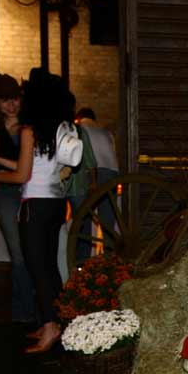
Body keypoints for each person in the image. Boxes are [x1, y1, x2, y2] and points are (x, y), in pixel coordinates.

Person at [0, 70, 81, 353]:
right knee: (50, 267)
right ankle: (56, 322)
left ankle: (50, 327)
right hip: (55, 203)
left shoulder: (29, 130)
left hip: (35, 207)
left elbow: (22, 176)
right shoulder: (60, 126)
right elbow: (38, 165)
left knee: (37, 268)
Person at [0, 74, 36, 324]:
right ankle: (23, 309)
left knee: (33, 250)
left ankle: (33, 306)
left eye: (15, 99)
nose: (11, 105)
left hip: (33, 190)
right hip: (7, 192)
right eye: (5, 101)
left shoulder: (31, 126)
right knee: (17, 252)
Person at [70, 107, 120, 260]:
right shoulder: (105, 131)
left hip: (92, 171)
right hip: (112, 172)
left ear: (79, 118)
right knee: (107, 219)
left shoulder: (80, 128)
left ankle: (82, 260)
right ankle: (109, 257)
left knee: (84, 215)